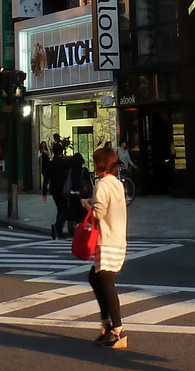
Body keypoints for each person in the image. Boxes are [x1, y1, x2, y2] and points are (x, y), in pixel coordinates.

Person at [84, 145, 129, 350]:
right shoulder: (117, 184)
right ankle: (106, 324)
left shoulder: (102, 184)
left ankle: (117, 330)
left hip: (107, 239)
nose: (94, 164)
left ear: (102, 163)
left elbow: (98, 213)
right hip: (118, 238)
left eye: (95, 161)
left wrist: (86, 206)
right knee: (96, 277)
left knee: (106, 282)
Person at [45, 144, 71, 239]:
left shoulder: (51, 164)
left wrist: (44, 192)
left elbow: (46, 178)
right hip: (63, 189)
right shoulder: (64, 163)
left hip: (54, 189)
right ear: (61, 151)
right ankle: (57, 227)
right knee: (64, 210)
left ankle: (59, 231)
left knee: (60, 209)